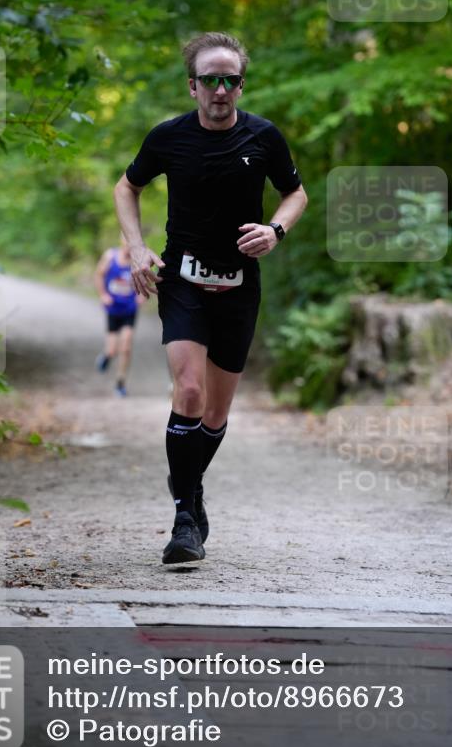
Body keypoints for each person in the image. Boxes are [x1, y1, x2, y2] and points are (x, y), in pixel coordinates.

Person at [114, 32, 308, 564]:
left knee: (217, 415)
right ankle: (185, 516)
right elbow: (126, 187)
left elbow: (296, 193)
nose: (220, 90)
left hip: (240, 288)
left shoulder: (264, 138)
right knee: (190, 393)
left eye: (230, 81)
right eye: (209, 81)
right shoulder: (169, 137)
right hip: (182, 284)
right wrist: (135, 247)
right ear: (193, 86)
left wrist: (276, 230)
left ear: (240, 86)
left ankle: (189, 487)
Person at [94, 236, 143, 397]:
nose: (129, 245)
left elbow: (146, 280)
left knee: (126, 345)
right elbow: (99, 275)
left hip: (129, 309)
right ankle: (107, 356)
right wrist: (102, 295)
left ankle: (120, 383)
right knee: (112, 349)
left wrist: (142, 295)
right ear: (122, 240)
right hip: (113, 309)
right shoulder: (110, 256)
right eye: (126, 240)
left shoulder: (139, 259)